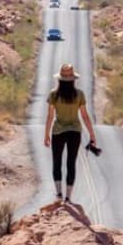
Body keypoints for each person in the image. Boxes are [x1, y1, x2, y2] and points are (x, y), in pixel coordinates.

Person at [44, 62, 98, 202]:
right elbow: (85, 116)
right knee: (71, 163)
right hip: (75, 132)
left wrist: (46, 135)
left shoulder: (53, 94)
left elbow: (49, 116)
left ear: (59, 79)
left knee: (57, 162)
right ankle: (68, 197)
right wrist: (92, 134)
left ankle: (58, 194)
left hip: (58, 131)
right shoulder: (79, 94)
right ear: (73, 79)